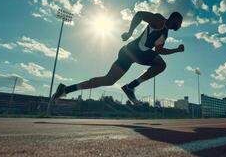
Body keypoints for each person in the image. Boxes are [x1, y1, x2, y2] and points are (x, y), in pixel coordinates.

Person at [52, 11, 184, 104]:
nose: (180, 25)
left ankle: (66, 89)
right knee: (160, 65)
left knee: (108, 80)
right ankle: (131, 86)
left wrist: (176, 50)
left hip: (131, 53)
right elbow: (139, 15)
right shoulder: (159, 20)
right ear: (175, 19)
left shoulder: (165, 33)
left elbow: (159, 51)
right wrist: (130, 32)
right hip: (134, 51)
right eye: (180, 22)